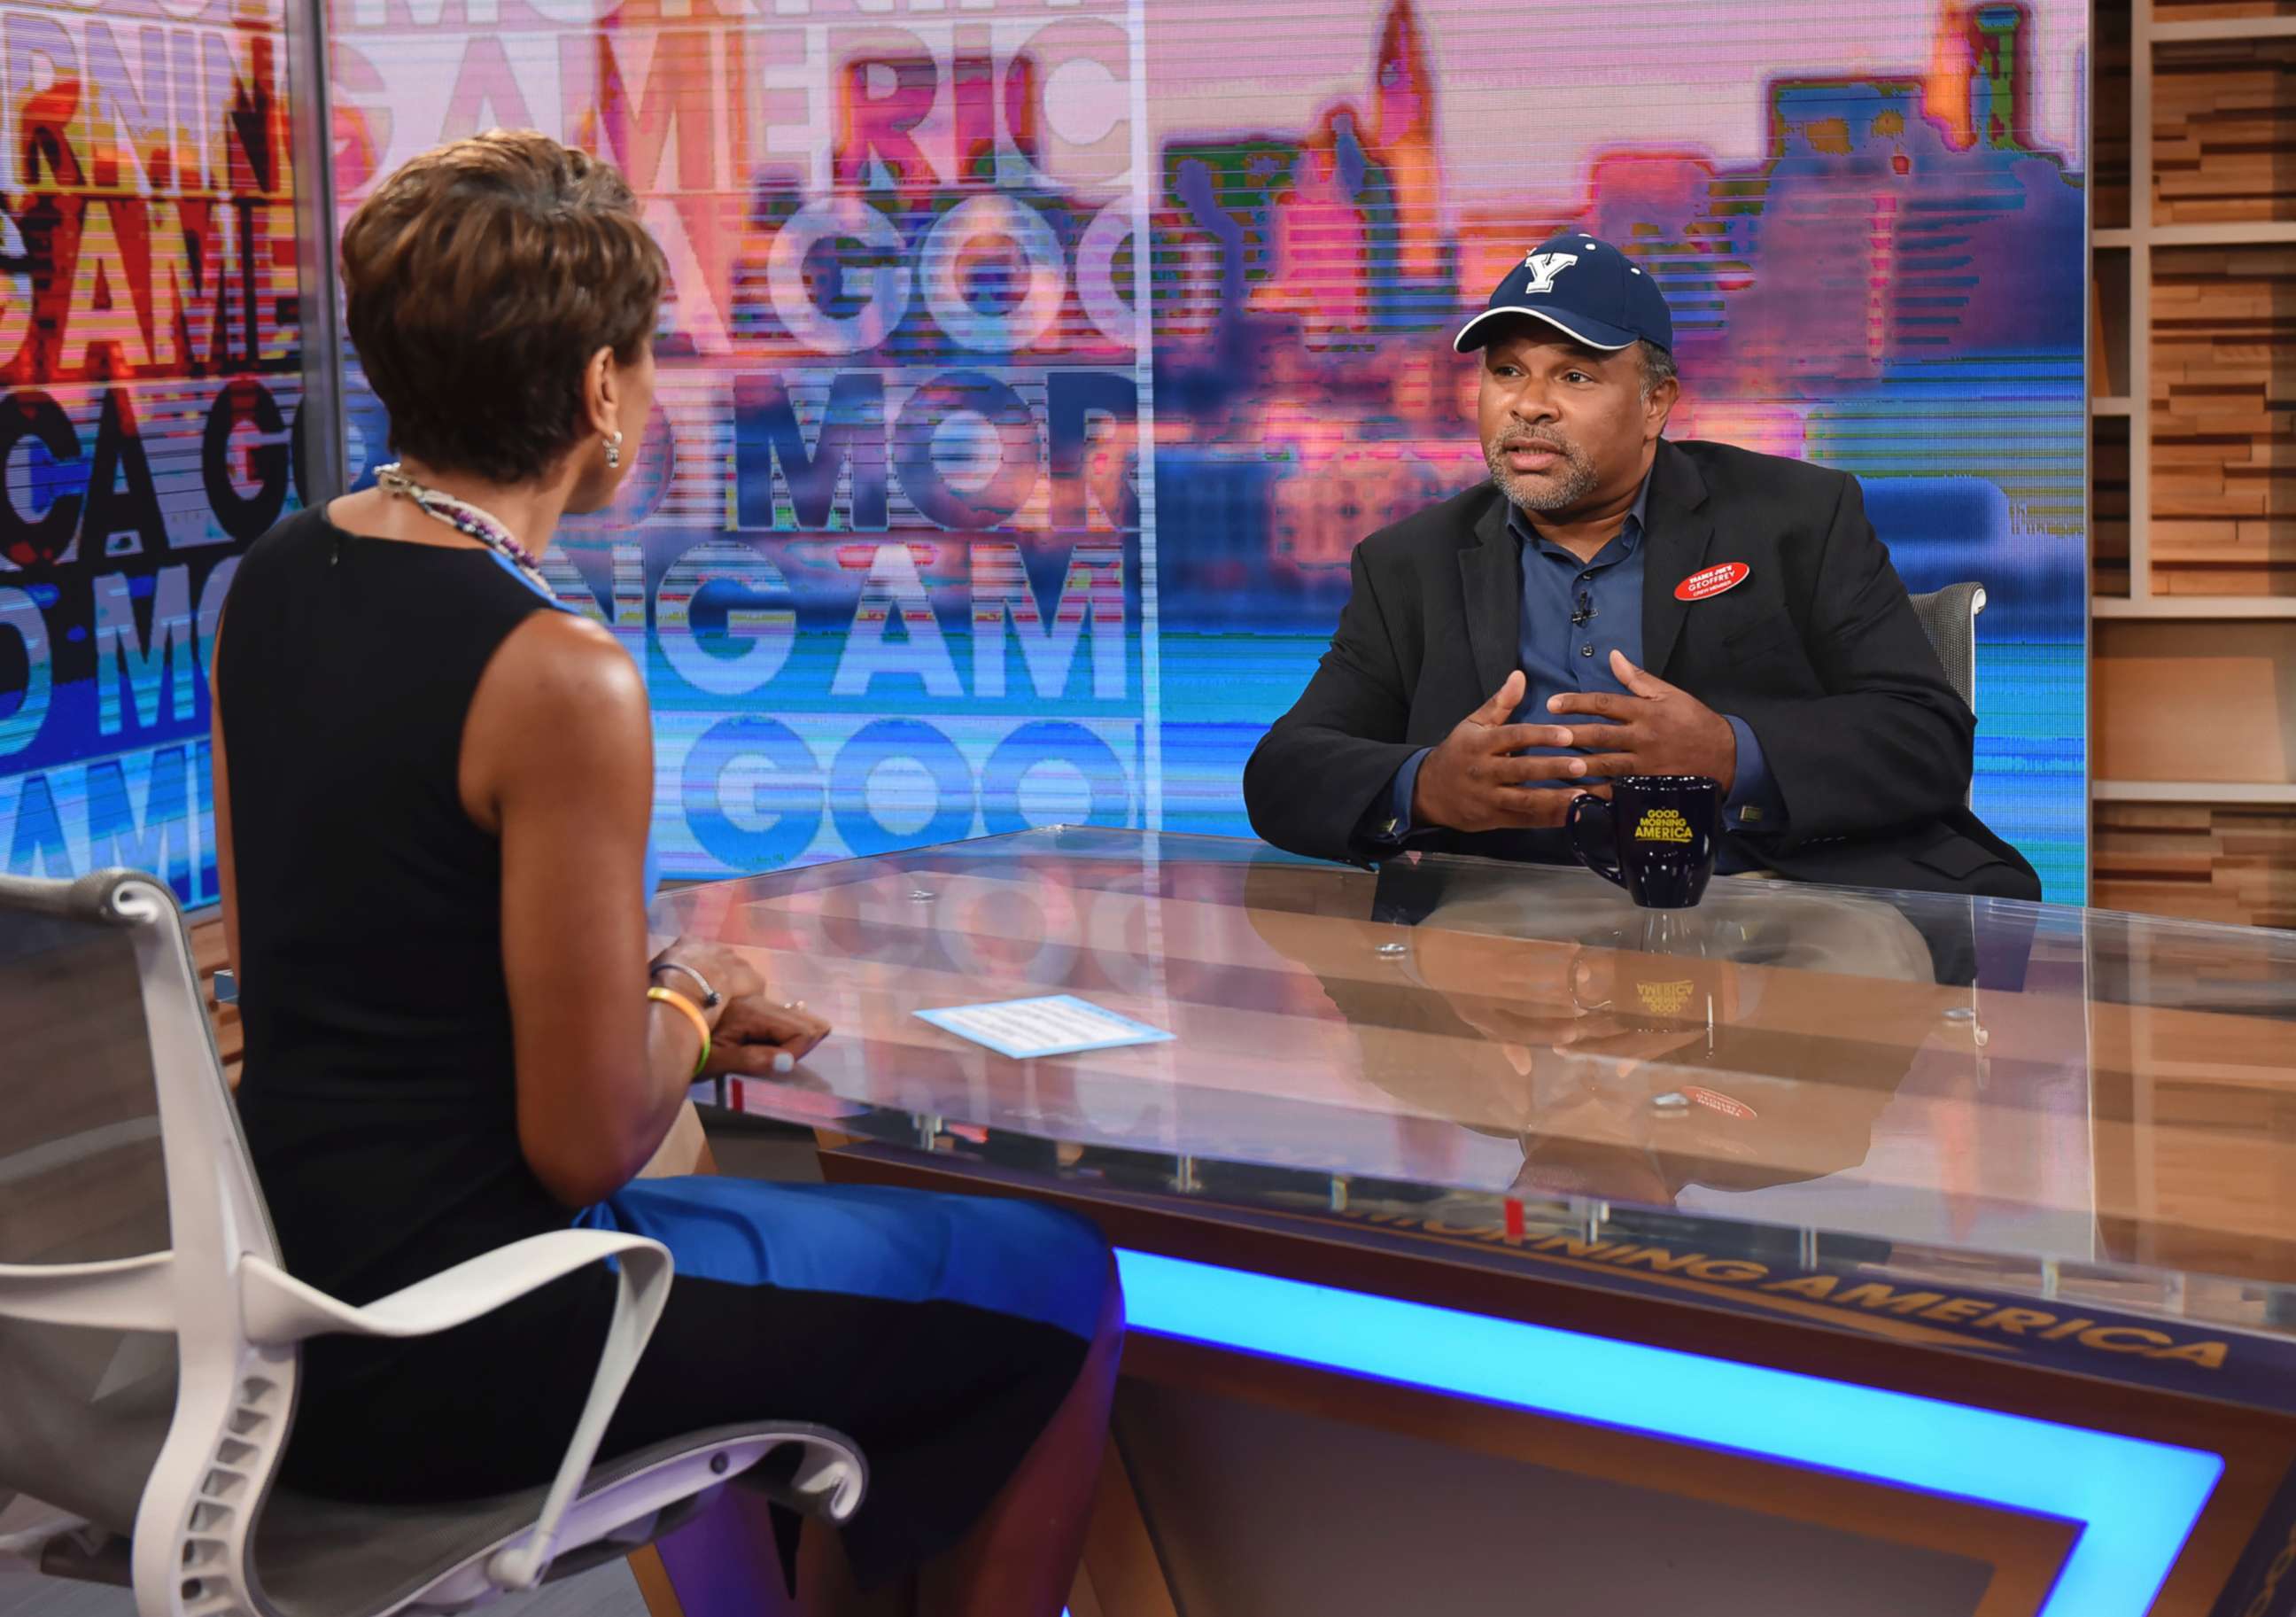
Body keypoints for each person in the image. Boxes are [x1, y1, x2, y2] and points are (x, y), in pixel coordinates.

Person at [211, 130, 1120, 1617]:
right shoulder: (559, 671)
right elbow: (583, 1146)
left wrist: (632, 1003)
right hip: (480, 1340)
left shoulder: (273, 581)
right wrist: (692, 997)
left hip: (295, 1320)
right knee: (1056, 1283)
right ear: (598, 394)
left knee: (815, 1253)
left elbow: (309, 960)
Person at [1244, 232, 2041, 899]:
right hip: (1514, 919)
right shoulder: (1409, 562)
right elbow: (1285, 771)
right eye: (1507, 371)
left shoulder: (1796, 517)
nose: (1529, 404)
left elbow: (1928, 738)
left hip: (1774, 892)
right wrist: (1426, 785)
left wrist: (1731, 753)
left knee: (1839, 994)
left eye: (1576, 375)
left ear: (1656, 402)